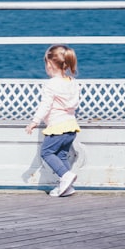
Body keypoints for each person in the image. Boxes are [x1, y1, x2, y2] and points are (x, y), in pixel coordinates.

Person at [25, 45, 81, 197]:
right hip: (71, 126)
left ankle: (65, 176)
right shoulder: (72, 82)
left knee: (47, 152)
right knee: (62, 155)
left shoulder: (51, 84)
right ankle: (67, 187)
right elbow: (74, 103)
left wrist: (35, 121)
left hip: (57, 127)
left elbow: (46, 105)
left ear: (49, 64)